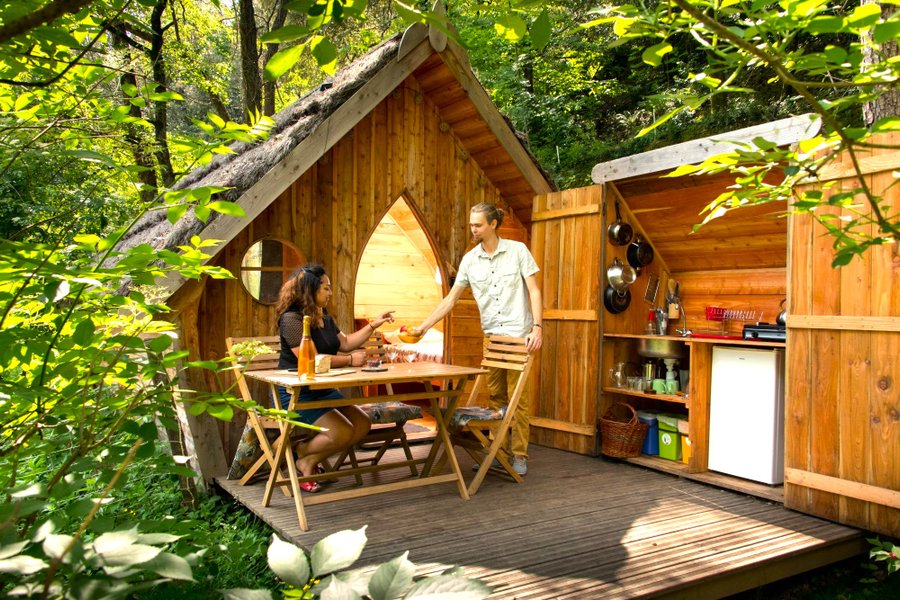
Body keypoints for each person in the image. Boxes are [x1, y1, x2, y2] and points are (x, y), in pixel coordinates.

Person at [413, 202, 542, 476]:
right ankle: (499, 451)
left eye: (478, 225)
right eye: (471, 224)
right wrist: (424, 326)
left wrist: (538, 327)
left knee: (518, 400)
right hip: (492, 337)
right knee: (495, 396)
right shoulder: (470, 260)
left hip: (519, 335)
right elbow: (451, 299)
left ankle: (518, 454)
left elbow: (534, 290)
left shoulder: (518, 251)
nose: (473, 229)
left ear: (493, 224)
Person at [274, 263, 395, 492]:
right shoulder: (291, 319)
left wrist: (373, 325)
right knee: (342, 431)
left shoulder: (323, 315)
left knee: (361, 424)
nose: (330, 292)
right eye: (326, 288)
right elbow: (310, 359)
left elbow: (346, 343)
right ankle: (305, 459)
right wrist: (349, 361)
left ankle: (305, 455)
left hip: (322, 388)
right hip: (296, 392)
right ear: (311, 289)